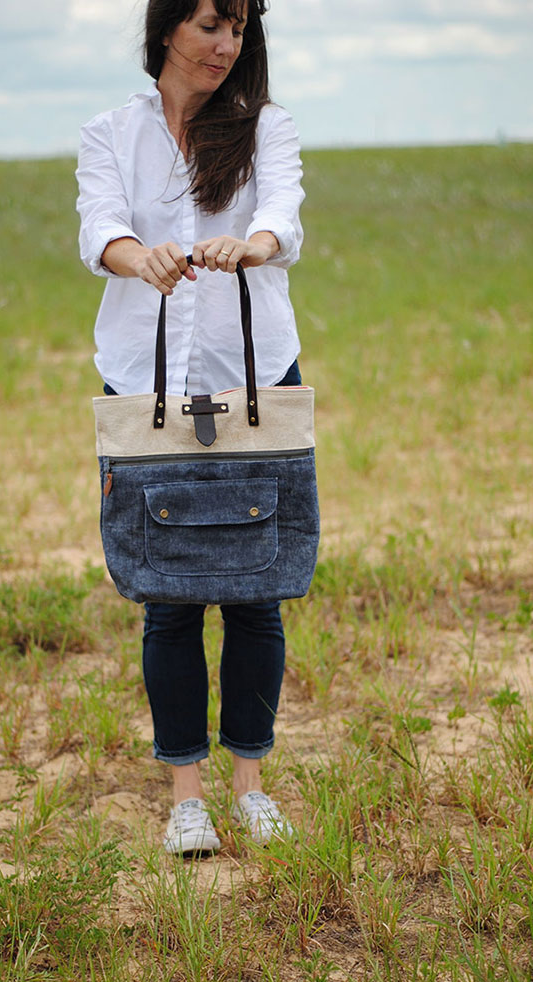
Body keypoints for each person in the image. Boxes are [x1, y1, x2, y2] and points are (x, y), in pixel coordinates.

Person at [76, 0, 305, 855]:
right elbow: (100, 228)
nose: (227, 45)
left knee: (256, 593)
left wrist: (254, 243)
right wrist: (144, 256)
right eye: (212, 24)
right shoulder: (109, 131)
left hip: (255, 380)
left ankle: (250, 788)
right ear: (168, 26)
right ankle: (186, 798)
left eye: (240, 29)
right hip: (144, 382)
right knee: (167, 599)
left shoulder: (266, 127)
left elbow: (285, 214)